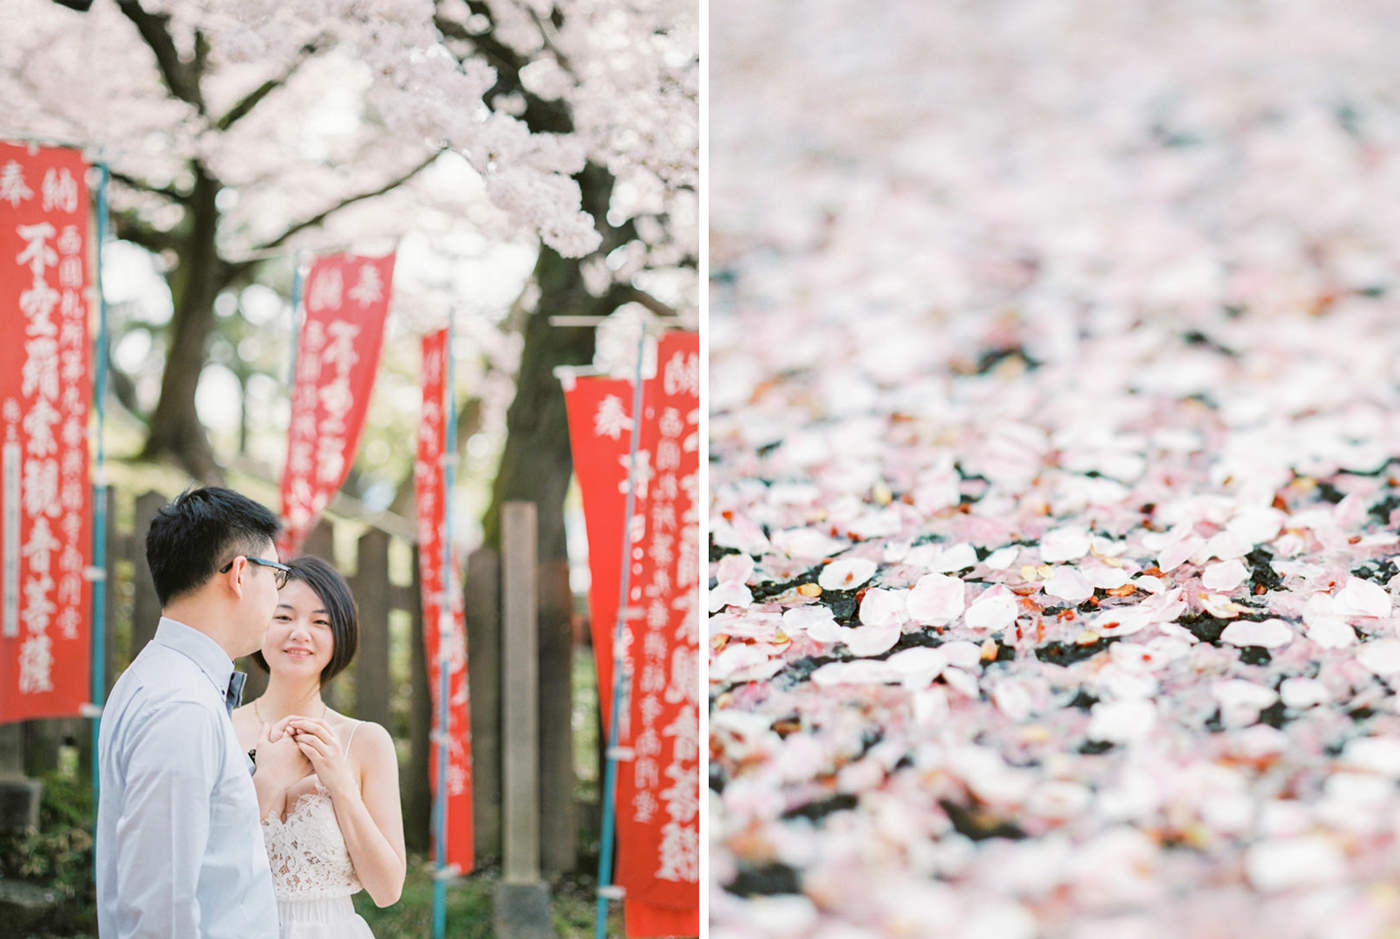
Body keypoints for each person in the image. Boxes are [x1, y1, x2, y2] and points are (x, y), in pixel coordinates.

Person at [96, 487, 285, 938]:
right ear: (240, 573)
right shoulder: (182, 706)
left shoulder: (164, 679)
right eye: (276, 575)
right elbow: (161, 910)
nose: (278, 598)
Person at [233, 555, 405, 938]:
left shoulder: (367, 742)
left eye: (320, 621)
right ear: (260, 621)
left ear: (340, 635)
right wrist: (268, 782)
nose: (300, 633)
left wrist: (341, 784)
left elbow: (387, 890)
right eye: (283, 617)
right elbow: (199, 858)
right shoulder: (221, 726)